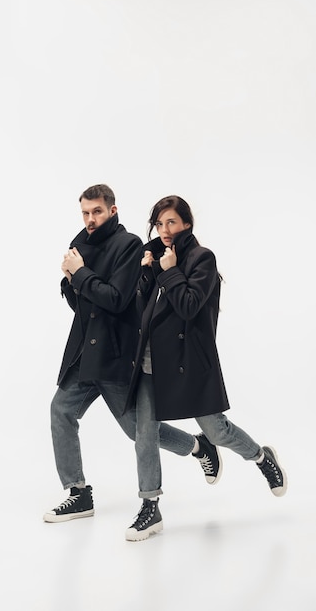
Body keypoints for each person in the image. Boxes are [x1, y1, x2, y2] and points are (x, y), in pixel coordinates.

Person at [43, 185, 222, 523]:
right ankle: (78, 492)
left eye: (97, 211)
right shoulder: (79, 244)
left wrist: (80, 274)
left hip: (115, 354)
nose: (90, 219)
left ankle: (198, 446)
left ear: (112, 210)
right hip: (85, 353)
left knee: (137, 432)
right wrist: (70, 281)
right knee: (60, 411)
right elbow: (81, 308)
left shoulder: (128, 245)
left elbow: (116, 299)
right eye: (85, 212)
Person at [125, 195, 287, 542]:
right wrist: (146, 272)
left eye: (171, 222)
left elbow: (188, 306)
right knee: (144, 436)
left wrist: (168, 271)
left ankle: (261, 457)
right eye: (159, 223)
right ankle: (150, 507)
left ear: (186, 223)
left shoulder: (202, 258)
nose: (164, 230)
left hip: (188, 364)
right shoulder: (157, 258)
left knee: (218, 431)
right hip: (151, 363)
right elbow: (143, 309)